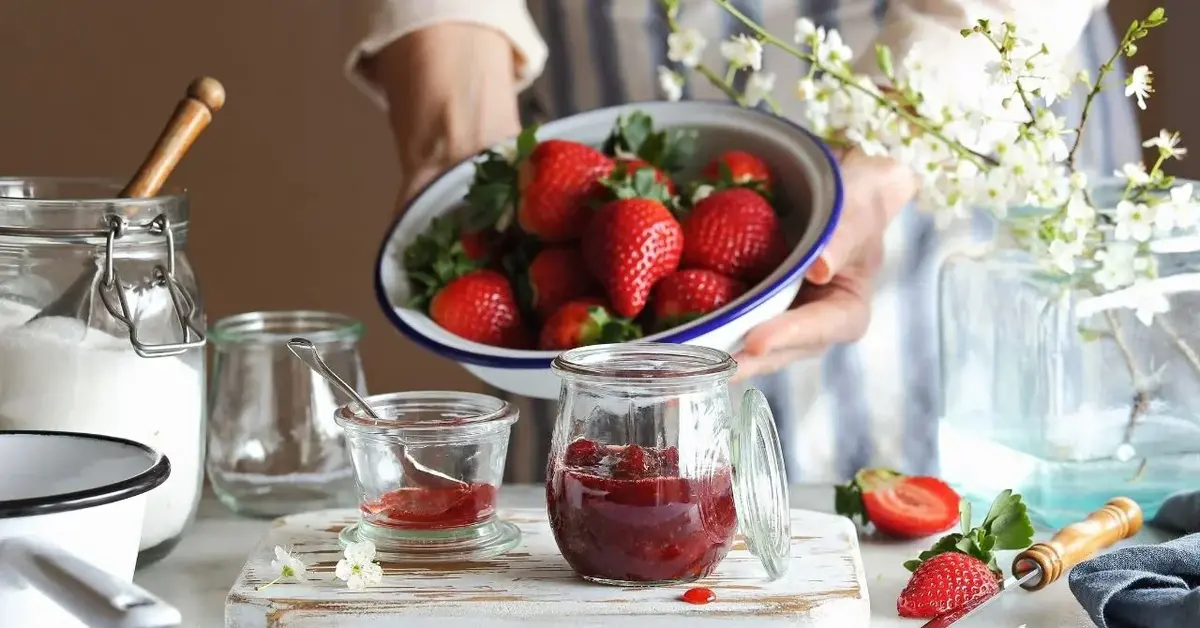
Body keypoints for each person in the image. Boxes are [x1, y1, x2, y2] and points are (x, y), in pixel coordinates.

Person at [343, 0, 1140, 483]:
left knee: (982, 558)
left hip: (974, 110)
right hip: (603, 144)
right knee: (616, 545)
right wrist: (463, 147)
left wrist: (889, 149)